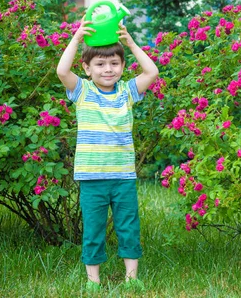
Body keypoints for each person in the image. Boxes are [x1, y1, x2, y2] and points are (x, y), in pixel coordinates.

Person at [56, 19, 159, 293]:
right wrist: (77, 39)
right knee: (93, 230)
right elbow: (61, 70)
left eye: (114, 63)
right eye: (100, 65)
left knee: (128, 226)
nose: (108, 69)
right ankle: (93, 280)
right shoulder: (82, 91)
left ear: (123, 67)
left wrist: (131, 44)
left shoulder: (127, 92)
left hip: (123, 176)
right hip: (91, 178)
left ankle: (132, 278)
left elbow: (152, 72)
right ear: (87, 69)